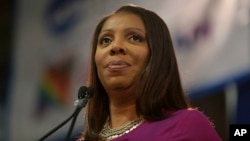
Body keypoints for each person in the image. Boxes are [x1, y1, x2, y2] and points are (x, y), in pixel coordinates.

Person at [77, 4, 221, 141]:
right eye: (106, 40)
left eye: (134, 38)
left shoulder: (186, 125)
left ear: (157, 56)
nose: (115, 47)